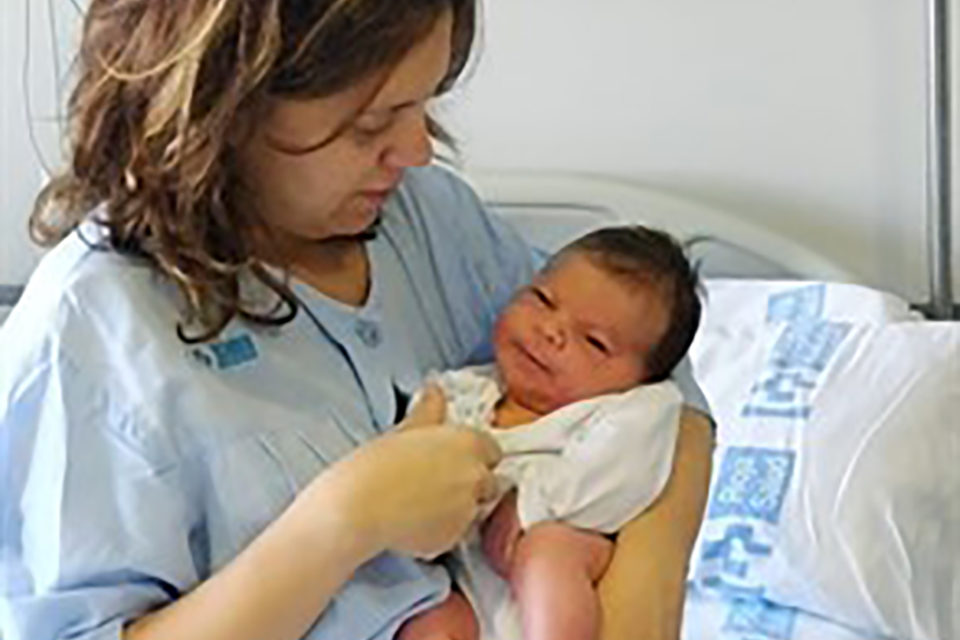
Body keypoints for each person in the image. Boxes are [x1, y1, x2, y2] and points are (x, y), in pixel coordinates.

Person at [0, 2, 714, 640]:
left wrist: (644, 585)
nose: (417, 151)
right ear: (223, 110)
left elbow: (655, 378)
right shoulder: (93, 336)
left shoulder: (426, 217)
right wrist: (341, 523)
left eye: (424, 105)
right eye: (370, 124)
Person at [397, 226, 702, 640]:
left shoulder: (632, 410)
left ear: (641, 379)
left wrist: (531, 505)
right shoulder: (467, 390)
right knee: (428, 620)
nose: (550, 331)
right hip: (472, 586)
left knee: (547, 553)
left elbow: (618, 477)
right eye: (542, 299)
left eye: (593, 342)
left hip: (565, 562)